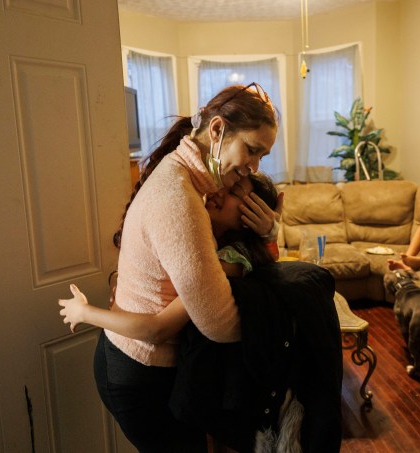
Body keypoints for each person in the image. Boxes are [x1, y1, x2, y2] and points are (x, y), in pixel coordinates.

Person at [79, 83, 280, 453]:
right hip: (138, 371)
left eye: (262, 157)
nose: (253, 167)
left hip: (144, 362)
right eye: (251, 150)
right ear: (217, 130)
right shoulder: (180, 198)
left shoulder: (197, 183)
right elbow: (219, 324)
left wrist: (269, 232)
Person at [59, 171, 279, 342]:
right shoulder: (201, 230)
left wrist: (84, 313)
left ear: (252, 214)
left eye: (234, 192)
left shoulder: (229, 262)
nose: (218, 191)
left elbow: (157, 328)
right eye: (222, 184)